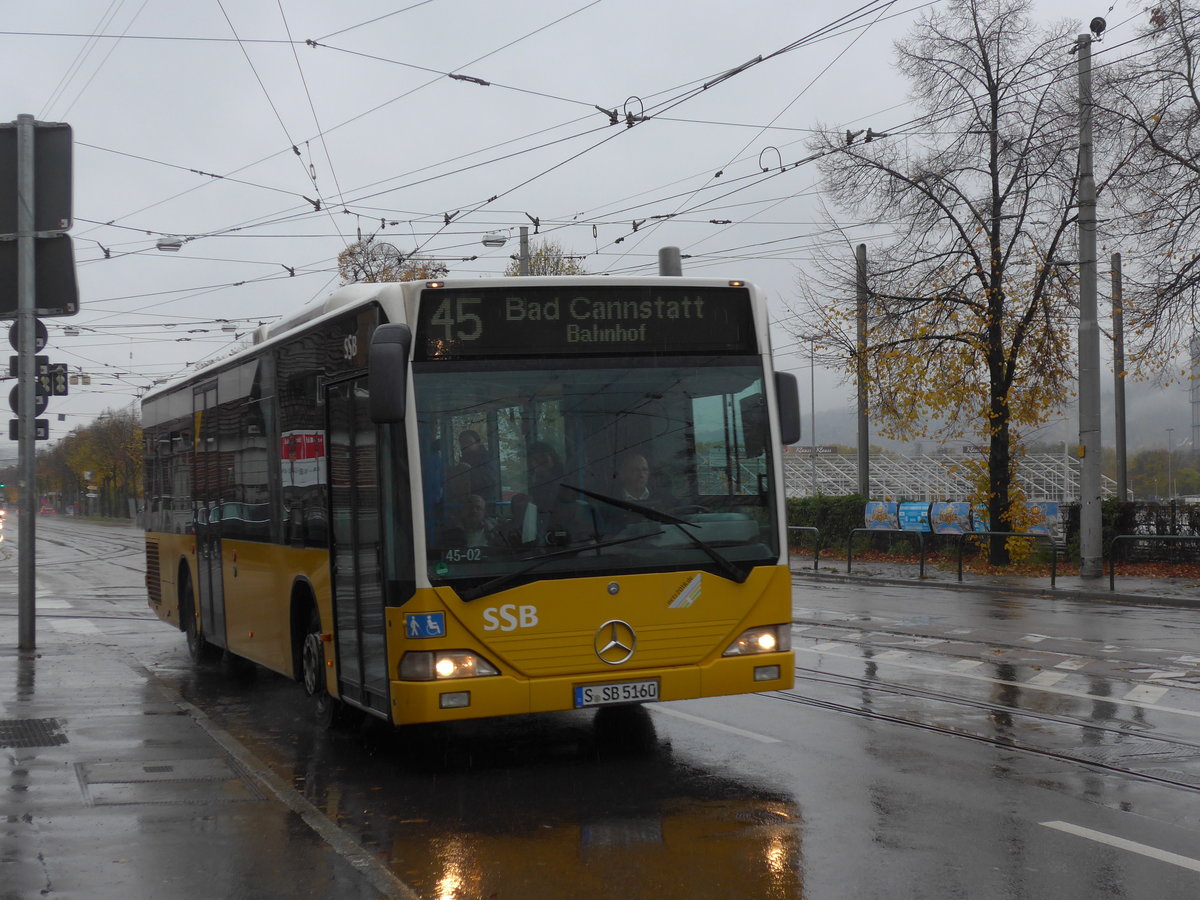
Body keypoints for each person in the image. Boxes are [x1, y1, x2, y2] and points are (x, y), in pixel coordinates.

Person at [446, 429, 498, 503]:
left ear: (478, 443)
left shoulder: (488, 459)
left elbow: (489, 480)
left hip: (484, 503)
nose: (465, 445)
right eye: (462, 442)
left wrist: (466, 471)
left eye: (469, 442)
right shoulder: (463, 459)